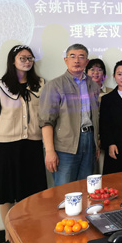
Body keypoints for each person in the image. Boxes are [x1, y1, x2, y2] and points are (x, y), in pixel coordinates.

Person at [0, 45, 46, 243]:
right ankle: (9, 237)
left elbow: (46, 114)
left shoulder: (40, 84)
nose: (27, 61)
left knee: (32, 193)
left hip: (33, 145)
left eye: (30, 58)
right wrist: (4, 138)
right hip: (7, 148)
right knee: (7, 194)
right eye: (22, 58)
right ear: (13, 61)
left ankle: (29, 234)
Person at [39, 43, 100, 186]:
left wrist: (96, 144)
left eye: (81, 57)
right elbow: (46, 121)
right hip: (65, 146)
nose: (77, 60)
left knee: (86, 187)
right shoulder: (54, 85)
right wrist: (49, 151)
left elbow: (95, 117)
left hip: (89, 141)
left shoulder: (93, 85)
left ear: (87, 61)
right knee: (64, 190)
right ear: (65, 60)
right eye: (72, 56)